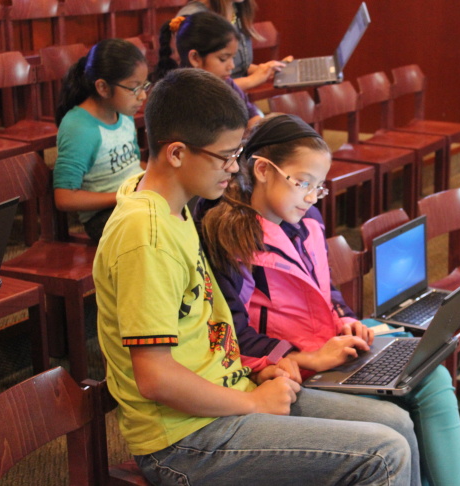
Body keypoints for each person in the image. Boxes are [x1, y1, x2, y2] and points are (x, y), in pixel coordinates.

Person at [94, 68, 419, 486]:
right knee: (384, 453)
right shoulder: (146, 236)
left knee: (397, 424)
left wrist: (255, 376)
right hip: (184, 440)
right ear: (176, 153)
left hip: (227, 396)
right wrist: (253, 404)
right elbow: (155, 377)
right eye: (225, 156)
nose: (234, 169)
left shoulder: (172, 206)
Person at [197, 114, 460, 486]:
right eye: (303, 183)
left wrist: (343, 318)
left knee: (432, 376)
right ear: (262, 169)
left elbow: (324, 288)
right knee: (402, 411)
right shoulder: (233, 237)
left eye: (318, 187)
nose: (311, 196)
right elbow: (234, 332)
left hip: (328, 344)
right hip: (289, 368)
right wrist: (306, 356)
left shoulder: (306, 219)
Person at [53, 39, 148, 242]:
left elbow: (130, 164)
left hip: (135, 200)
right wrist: (124, 195)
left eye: (144, 86)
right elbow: (65, 197)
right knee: (156, 226)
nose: (142, 96)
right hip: (104, 215)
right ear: (103, 88)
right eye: (134, 88)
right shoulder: (79, 128)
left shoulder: (123, 114)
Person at [154, 11, 262, 128]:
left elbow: (251, 114)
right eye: (223, 58)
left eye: (233, 58)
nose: (231, 66)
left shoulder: (228, 84)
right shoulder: (178, 96)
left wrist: (257, 125)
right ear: (195, 58)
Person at [178, 0, 290, 91]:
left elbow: (237, 67)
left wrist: (265, 71)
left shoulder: (236, 7)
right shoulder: (193, 19)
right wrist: (252, 80)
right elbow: (197, 87)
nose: (230, 65)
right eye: (223, 58)